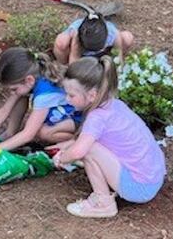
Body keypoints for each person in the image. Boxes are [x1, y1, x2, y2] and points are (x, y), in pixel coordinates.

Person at [49, 56, 166, 218]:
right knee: (88, 146)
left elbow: (78, 152)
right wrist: (71, 145)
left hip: (139, 187)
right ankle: (110, 189)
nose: (67, 99)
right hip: (153, 176)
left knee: (88, 149)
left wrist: (62, 158)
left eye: (71, 95)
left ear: (91, 95)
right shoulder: (114, 104)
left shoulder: (97, 118)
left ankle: (103, 203)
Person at [0, 48, 79, 152]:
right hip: (61, 112)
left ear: (29, 80)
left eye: (13, 89)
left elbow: (28, 134)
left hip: (78, 119)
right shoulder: (34, 76)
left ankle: (76, 142)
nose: (12, 93)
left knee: (43, 132)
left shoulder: (44, 95)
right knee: (20, 96)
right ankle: (9, 134)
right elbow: (4, 110)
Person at [53, 12, 134, 65]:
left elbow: (118, 57)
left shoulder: (113, 34)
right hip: (81, 55)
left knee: (127, 37)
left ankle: (104, 62)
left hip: (103, 54)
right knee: (61, 42)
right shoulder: (76, 35)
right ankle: (62, 65)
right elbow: (74, 62)